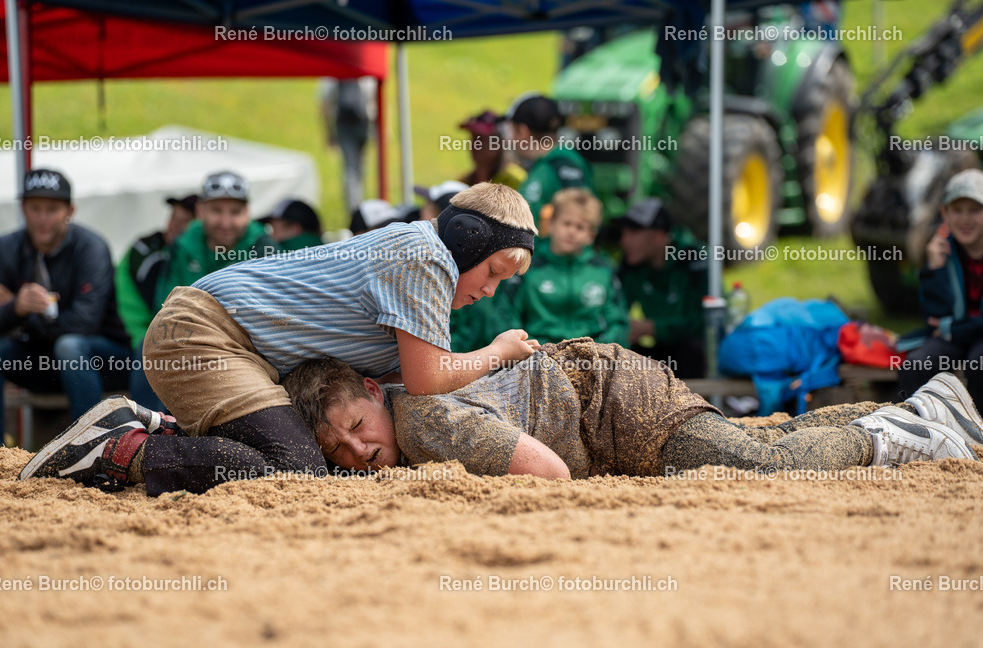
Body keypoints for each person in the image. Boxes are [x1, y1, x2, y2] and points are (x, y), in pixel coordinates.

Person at [18, 183, 541, 496]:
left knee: (287, 453)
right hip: (205, 335)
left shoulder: (421, 256)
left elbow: (412, 376)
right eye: (493, 272)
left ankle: (157, 428)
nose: (491, 290)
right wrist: (496, 353)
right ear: (468, 241)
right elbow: (427, 380)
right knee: (297, 468)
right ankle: (117, 448)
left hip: (228, 342)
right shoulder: (425, 257)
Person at [283, 343, 980, 480]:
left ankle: (903, 433)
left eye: (356, 427)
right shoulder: (410, 402)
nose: (356, 451)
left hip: (614, 405)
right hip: (600, 388)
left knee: (756, 465)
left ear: (375, 393)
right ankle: (928, 400)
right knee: (745, 438)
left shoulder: (424, 422)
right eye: (336, 450)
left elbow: (548, 473)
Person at [0, 169, 133, 454]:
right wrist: (16, 306)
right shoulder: (6, 247)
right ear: (23, 208)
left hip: (102, 361)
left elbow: (84, 324)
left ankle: (95, 452)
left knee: (70, 345)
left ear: (70, 210)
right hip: (40, 362)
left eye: (52, 209)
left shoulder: (91, 247)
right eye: (35, 208)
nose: (43, 218)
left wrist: (22, 311)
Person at [492, 187, 628, 345]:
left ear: (591, 236)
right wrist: (527, 352)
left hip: (592, 358)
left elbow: (618, 324)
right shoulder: (527, 267)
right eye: (566, 223)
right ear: (551, 224)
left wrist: (601, 353)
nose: (571, 231)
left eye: (580, 227)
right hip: (536, 356)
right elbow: (505, 317)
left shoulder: (603, 270)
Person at [899, 169, 983, 407]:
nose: (965, 219)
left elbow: (943, 326)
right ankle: (912, 429)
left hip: (961, 332)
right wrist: (934, 270)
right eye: (957, 210)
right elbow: (934, 317)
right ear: (945, 213)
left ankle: (977, 436)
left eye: (975, 210)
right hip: (955, 332)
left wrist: (951, 329)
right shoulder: (942, 251)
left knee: (980, 362)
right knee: (917, 363)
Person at [115, 193, 198, 411]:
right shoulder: (142, 252)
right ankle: (146, 429)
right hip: (133, 342)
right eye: (173, 217)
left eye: (185, 221)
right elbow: (128, 307)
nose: (174, 226)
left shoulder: (194, 255)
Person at [152, 171, 280, 308]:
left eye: (235, 212)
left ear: (247, 213)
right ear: (200, 210)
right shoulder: (182, 244)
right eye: (216, 210)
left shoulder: (265, 251)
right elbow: (165, 307)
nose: (225, 223)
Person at [617, 198, 708, 379]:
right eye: (623, 233)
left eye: (633, 232)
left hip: (698, 357)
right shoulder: (631, 266)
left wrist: (653, 328)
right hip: (663, 353)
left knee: (690, 350)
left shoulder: (694, 262)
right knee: (620, 355)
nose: (624, 241)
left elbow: (706, 324)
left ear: (659, 237)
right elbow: (615, 310)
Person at [508, 93, 594, 229]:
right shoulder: (576, 161)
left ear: (523, 131)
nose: (511, 140)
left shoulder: (544, 173)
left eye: (512, 131)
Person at [320, 77, 377, 211]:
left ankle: (354, 208)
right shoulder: (367, 74)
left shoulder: (333, 75)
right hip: (364, 123)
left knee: (350, 168)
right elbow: (374, 100)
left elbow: (324, 102)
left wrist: (328, 132)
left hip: (344, 126)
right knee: (359, 167)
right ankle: (359, 206)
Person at [457, 110, 526, 189]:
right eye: (474, 138)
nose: (475, 145)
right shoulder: (463, 182)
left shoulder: (515, 181)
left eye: (482, 139)